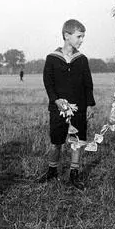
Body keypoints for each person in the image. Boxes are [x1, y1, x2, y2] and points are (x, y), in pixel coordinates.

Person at [39, 19, 96, 190]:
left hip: (79, 107)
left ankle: (74, 174)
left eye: (83, 37)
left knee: (77, 141)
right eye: (79, 36)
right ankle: (52, 170)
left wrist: (90, 105)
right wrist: (55, 100)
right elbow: (48, 82)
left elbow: (88, 84)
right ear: (66, 36)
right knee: (56, 141)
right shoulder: (52, 58)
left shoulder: (82, 59)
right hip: (59, 108)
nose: (81, 40)